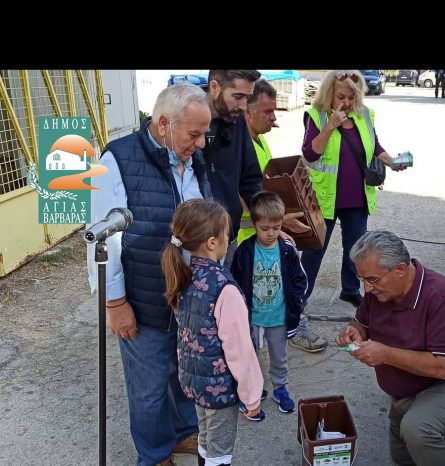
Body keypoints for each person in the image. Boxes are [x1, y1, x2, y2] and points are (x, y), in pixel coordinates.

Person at [86, 83, 211, 466]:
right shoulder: (116, 161)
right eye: (194, 134)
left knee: (182, 372)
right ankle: (155, 454)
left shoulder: (191, 159)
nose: (202, 143)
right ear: (163, 124)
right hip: (142, 298)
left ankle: (182, 434)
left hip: (185, 296)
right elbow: (102, 241)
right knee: (149, 387)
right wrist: (116, 302)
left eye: (205, 133)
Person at [336, 230, 445, 466]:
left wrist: (384, 353)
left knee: (417, 430)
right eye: (362, 279)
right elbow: (362, 322)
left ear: (400, 270)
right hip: (412, 384)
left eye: (372, 280)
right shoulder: (379, 291)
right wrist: (355, 332)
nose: (366, 289)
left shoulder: (441, 297)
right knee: (403, 455)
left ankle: (426, 420)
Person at [161, 199, 263, 466]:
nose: (229, 239)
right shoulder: (224, 288)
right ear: (211, 242)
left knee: (206, 439)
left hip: (195, 382)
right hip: (219, 389)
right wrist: (252, 395)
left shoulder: (182, 274)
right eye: (227, 234)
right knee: (219, 452)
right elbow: (240, 349)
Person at [300, 70, 401, 315]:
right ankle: (299, 296)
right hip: (325, 198)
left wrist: (391, 161)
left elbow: (374, 146)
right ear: (329, 95)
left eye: (351, 97)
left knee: (355, 249)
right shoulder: (318, 116)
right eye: (341, 96)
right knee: (314, 250)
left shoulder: (365, 115)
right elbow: (311, 154)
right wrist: (331, 126)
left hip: (357, 197)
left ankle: (350, 289)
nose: (346, 102)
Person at [238, 79, 327, 353]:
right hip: (249, 240)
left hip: (266, 235)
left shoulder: (259, 141)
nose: (274, 118)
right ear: (247, 112)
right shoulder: (240, 148)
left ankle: (285, 329)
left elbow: (262, 189)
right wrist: (279, 222)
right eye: (268, 112)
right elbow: (238, 202)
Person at [203, 70, 308, 270]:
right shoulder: (186, 118)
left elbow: (251, 179)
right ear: (215, 87)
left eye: (247, 98)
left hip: (228, 239)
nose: (243, 106)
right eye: (238, 97)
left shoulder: (237, 122)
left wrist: (272, 221)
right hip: (194, 244)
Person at [231, 192, 306, 418]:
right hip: (252, 318)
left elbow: (299, 279)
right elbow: (234, 281)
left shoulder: (287, 250)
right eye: (265, 228)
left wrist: (297, 303)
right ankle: (250, 392)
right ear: (254, 224)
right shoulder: (244, 250)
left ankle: (280, 388)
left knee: (279, 356)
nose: (271, 233)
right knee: (248, 356)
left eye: (276, 227)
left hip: (278, 318)